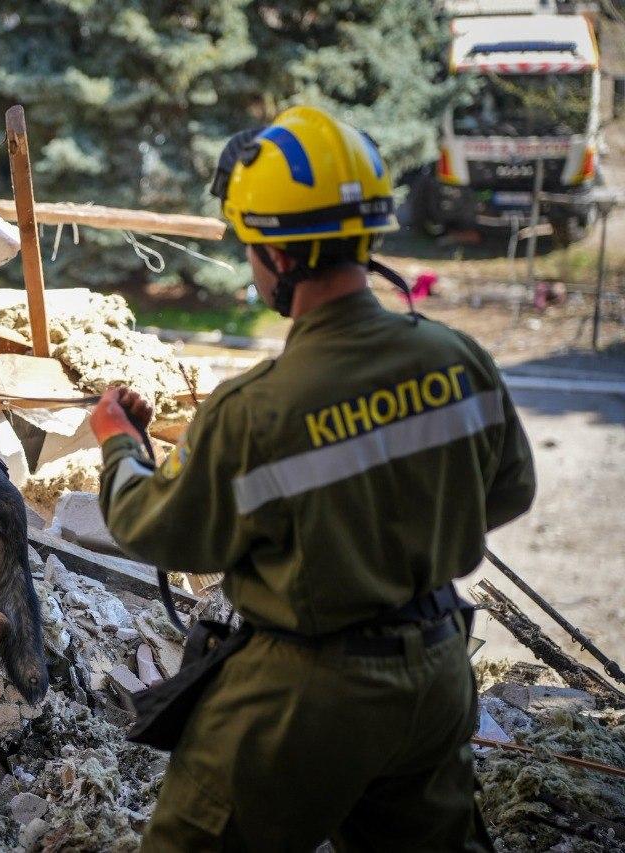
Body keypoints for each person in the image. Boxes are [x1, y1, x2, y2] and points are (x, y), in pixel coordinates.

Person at [90, 106, 536, 851]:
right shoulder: (457, 361)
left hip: (307, 694)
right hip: (435, 671)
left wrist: (117, 446)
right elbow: (508, 491)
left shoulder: (258, 407)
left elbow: (158, 527)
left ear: (281, 256)